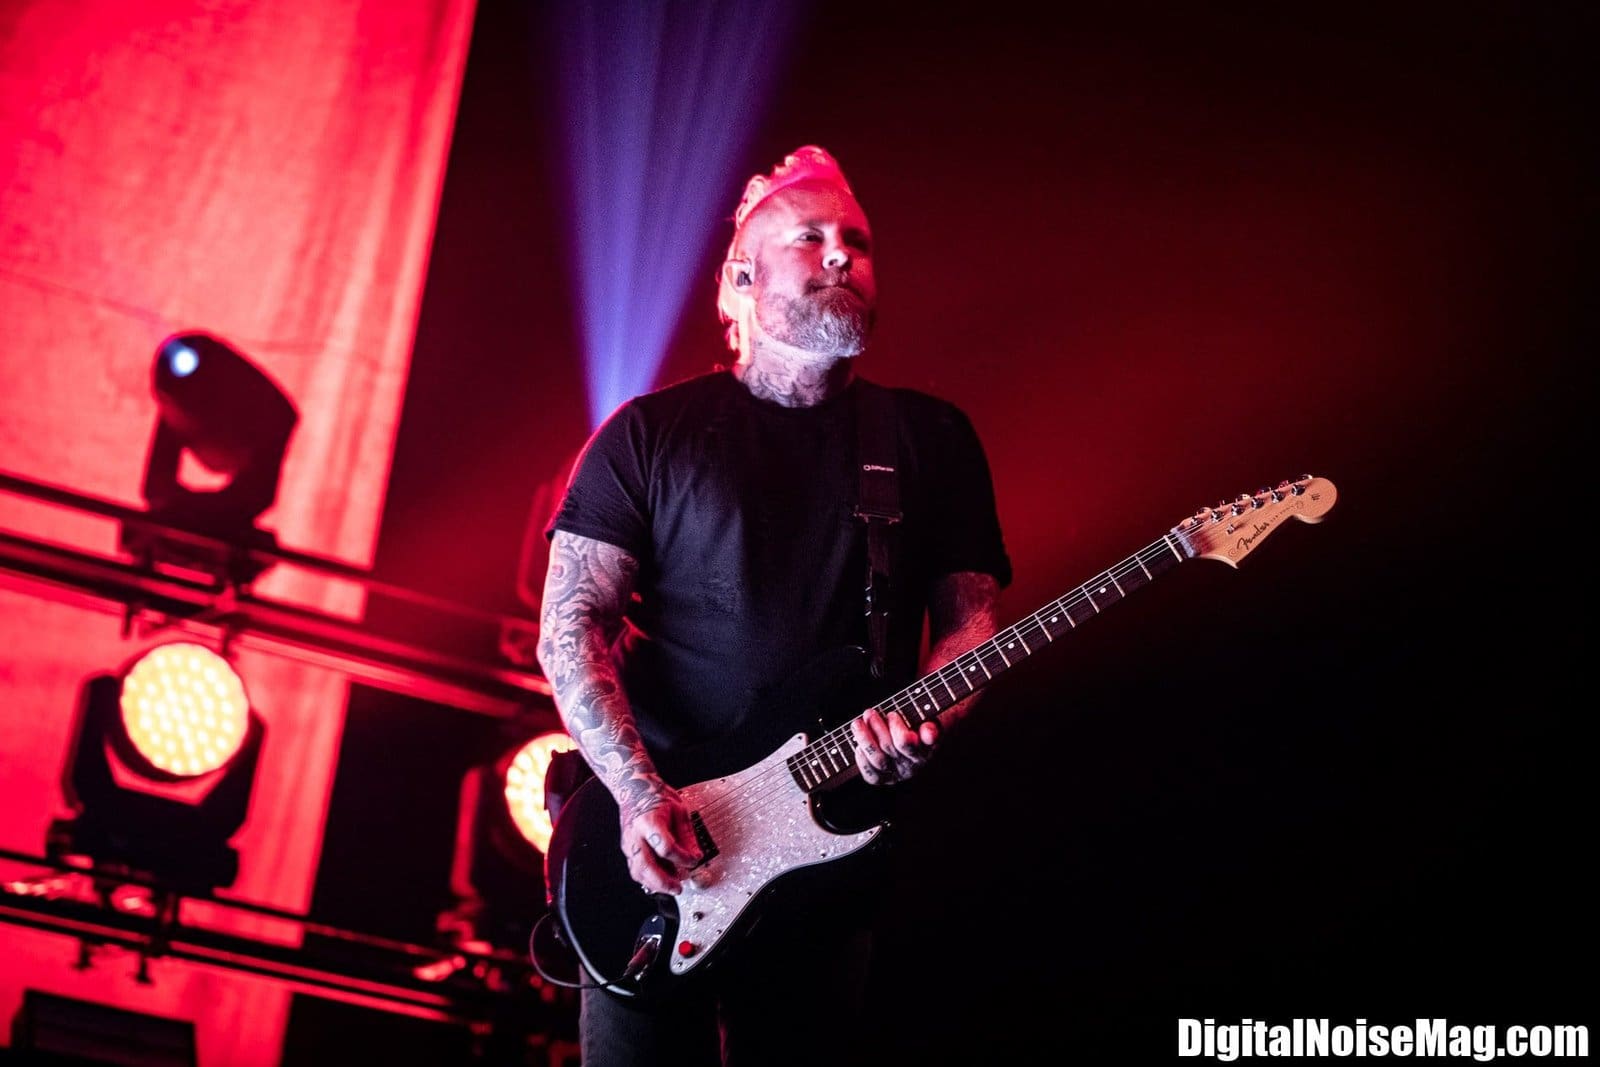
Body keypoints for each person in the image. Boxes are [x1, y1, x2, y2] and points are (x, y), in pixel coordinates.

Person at [535, 145, 1011, 1066]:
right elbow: (571, 626)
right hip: (658, 854)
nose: (843, 255)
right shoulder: (648, 436)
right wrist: (639, 797)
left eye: (858, 241)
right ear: (740, 278)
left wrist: (922, 721)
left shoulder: (928, 439)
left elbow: (970, 622)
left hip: (829, 856)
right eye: (812, 236)